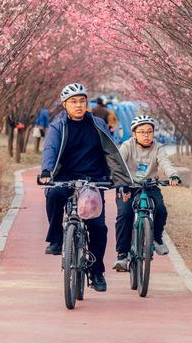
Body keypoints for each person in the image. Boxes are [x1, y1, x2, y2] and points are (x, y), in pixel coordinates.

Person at [39, 82, 132, 292]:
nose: (78, 105)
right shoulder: (58, 126)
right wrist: (47, 172)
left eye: (82, 101)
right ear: (65, 104)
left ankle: (97, 271)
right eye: (73, 102)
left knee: (98, 227)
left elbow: (112, 152)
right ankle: (56, 238)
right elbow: (50, 149)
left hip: (93, 181)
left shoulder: (97, 123)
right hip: (64, 178)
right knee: (53, 195)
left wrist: (120, 181)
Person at [113, 114, 180, 271]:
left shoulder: (158, 147)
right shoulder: (127, 146)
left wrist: (173, 175)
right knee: (124, 215)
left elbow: (165, 163)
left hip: (150, 186)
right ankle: (122, 256)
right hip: (128, 186)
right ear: (134, 134)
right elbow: (118, 165)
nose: (146, 135)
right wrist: (121, 182)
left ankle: (156, 238)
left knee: (161, 210)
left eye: (149, 131)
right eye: (142, 132)